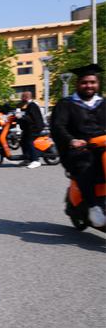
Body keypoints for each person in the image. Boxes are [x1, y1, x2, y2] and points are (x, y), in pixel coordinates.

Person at [50, 63, 106, 227]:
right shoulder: (66, 104)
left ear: (98, 83)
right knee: (85, 164)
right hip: (80, 150)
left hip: (103, 146)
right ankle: (93, 206)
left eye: (92, 82)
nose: (89, 86)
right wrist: (71, 140)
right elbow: (58, 127)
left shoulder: (103, 103)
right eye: (84, 82)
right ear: (78, 84)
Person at [16, 91, 45, 169]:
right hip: (29, 128)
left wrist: (21, 117)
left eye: (22, 97)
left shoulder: (32, 105)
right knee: (23, 141)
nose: (21, 98)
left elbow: (32, 118)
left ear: (26, 97)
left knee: (29, 142)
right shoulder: (29, 105)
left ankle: (36, 160)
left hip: (34, 128)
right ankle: (27, 158)